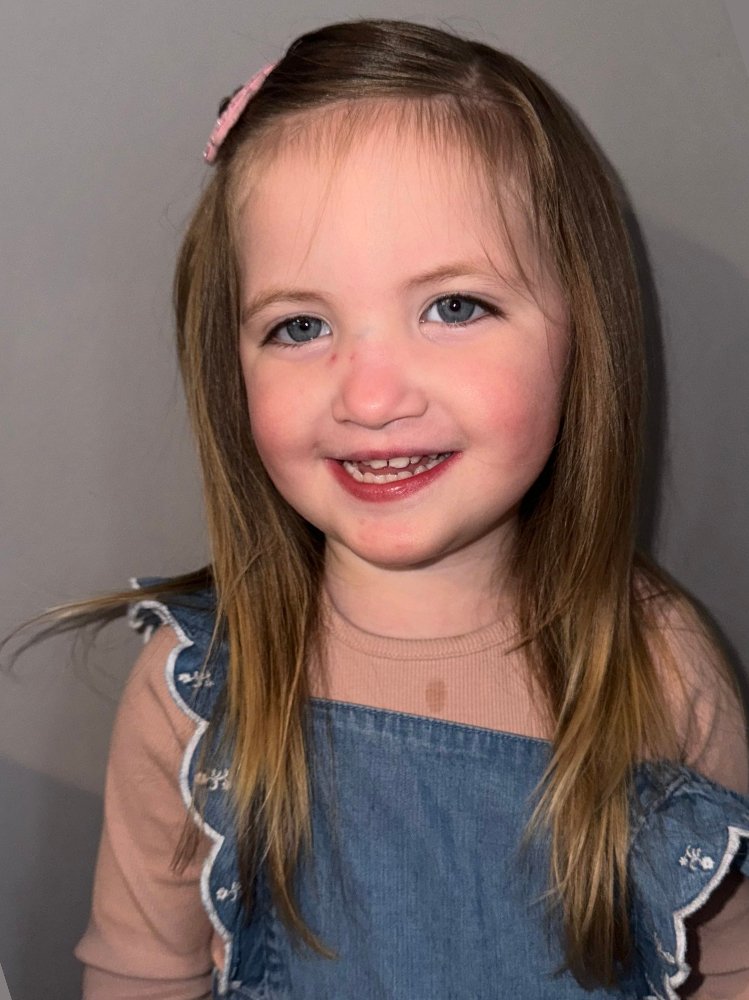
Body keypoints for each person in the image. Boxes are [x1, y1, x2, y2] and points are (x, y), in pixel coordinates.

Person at [71, 18, 749, 1000]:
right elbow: (140, 974)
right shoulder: (196, 693)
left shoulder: (659, 665)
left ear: (580, 333)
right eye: (299, 326)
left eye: (453, 307)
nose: (370, 396)